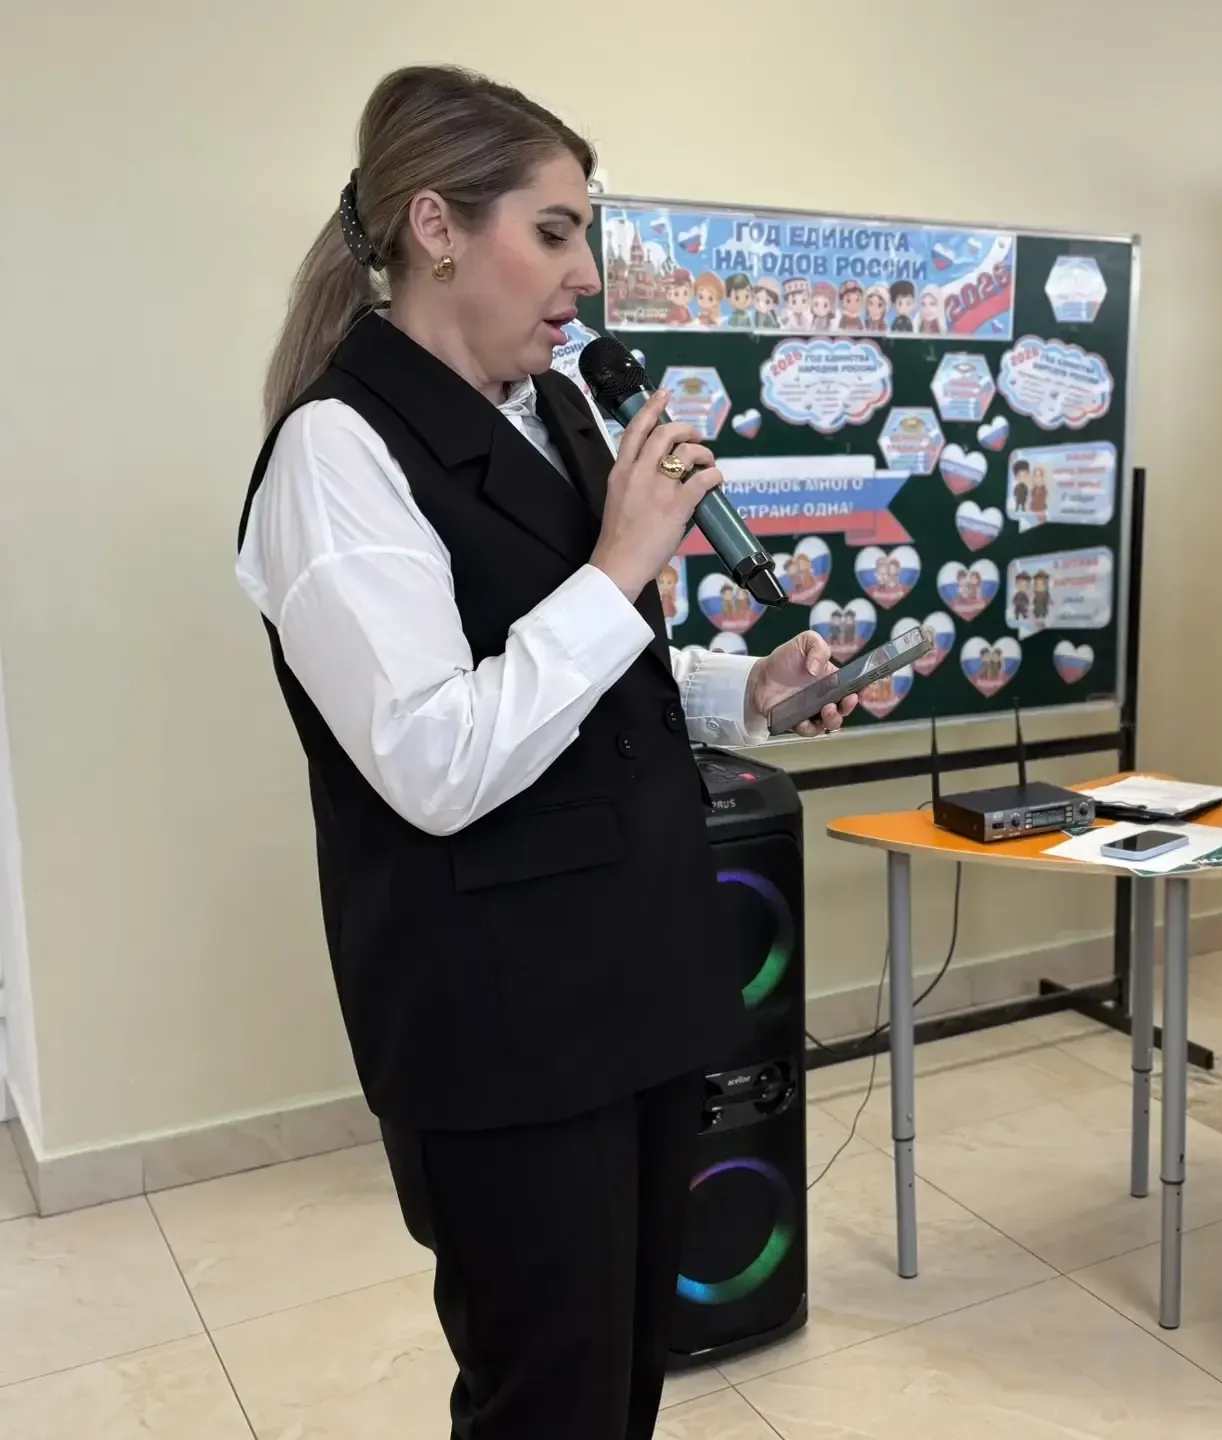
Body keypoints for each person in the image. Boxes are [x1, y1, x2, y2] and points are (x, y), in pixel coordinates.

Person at [234, 66, 855, 1440]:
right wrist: (623, 558)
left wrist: (744, 688)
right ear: (437, 227)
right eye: (557, 232)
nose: (587, 277)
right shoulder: (335, 456)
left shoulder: (560, 412)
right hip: (501, 1023)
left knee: (625, 1370)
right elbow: (436, 758)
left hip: (637, 977)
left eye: (590, 234)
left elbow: (592, 678)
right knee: (547, 1398)